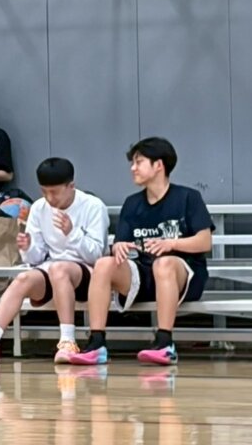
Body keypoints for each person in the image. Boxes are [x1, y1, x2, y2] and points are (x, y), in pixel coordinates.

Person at [68, 137, 214, 367]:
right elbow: (121, 242)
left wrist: (171, 244)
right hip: (145, 274)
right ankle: (96, 344)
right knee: (104, 264)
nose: (133, 168)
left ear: (159, 165)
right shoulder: (132, 203)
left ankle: (165, 343)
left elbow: (204, 242)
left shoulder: (188, 197)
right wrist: (118, 247)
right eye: (132, 163)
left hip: (184, 274)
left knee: (163, 264)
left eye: (139, 162)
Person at [0, 158, 108, 365]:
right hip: (52, 270)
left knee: (59, 269)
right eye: (44, 192)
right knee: (22, 279)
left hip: (87, 275)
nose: (49, 198)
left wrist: (72, 233)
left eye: (54, 192)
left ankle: (67, 341)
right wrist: (28, 248)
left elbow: (96, 255)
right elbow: (36, 259)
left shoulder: (93, 206)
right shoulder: (38, 208)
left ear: (71, 186)